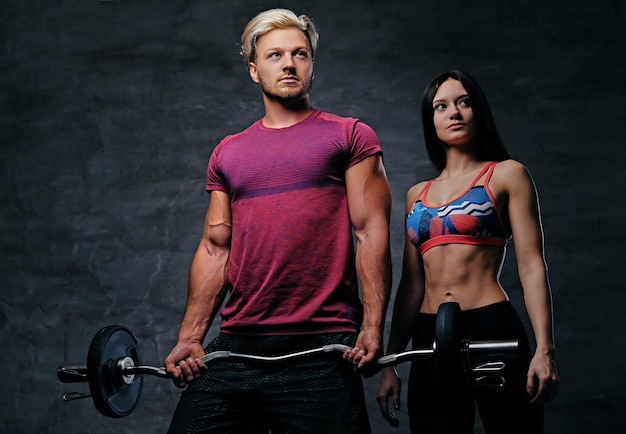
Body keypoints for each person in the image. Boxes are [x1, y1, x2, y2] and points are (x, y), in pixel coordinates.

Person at [163, 8, 392, 434]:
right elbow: (216, 249)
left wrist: (373, 325)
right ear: (254, 70)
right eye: (275, 55)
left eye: (300, 54)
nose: (289, 63)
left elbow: (369, 231)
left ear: (310, 64)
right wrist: (191, 336)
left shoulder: (350, 136)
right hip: (238, 345)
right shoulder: (228, 152)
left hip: (321, 345)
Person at [374, 69, 559, 433]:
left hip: (491, 325)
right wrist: (390, 363)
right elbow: (412, 285)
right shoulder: (417, 194)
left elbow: (532, 265)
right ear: (432, 120)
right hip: (428, 334)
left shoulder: (507, 174)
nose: (454, 113)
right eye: (441, 106)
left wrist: (544, 349)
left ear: (479, 110)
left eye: (463, 102)